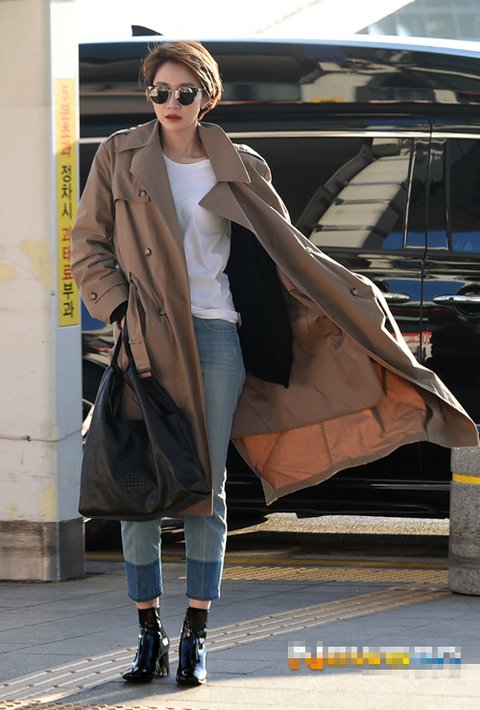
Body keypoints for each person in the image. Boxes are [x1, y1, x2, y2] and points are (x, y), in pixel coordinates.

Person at [71, 41, 478, 687]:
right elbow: (88, 244)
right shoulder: (119, 155)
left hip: (218, 337)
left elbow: (285, 253)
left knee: (206, 489)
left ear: (208, 96)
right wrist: (120, 310)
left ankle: (197, 631)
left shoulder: (241, 163)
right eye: (159, 92)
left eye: (183, 92)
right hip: (147, 339)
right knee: (141, 490)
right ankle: (148, 631)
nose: (170, 103)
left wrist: (349, 297)